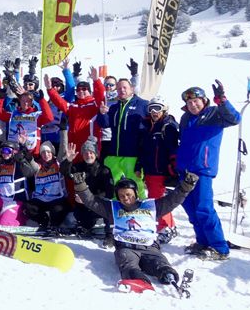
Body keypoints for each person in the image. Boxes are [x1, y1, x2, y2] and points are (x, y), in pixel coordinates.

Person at [73, 173, 200, 289]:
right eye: (121, 196)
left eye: (128, 194)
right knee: (128, 264)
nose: (125, 198)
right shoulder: (112, 208)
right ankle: (138, 280)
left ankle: (168, 275)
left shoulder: (152, 206)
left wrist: (186, 186)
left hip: (150, 248)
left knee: (160, 263)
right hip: (126, 248)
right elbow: (92, 202)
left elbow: (172, 200)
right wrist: (81, 185)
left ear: (136, 193)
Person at [177, 81, 241, 261]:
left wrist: (222, 101)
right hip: (185, 170)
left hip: (202, 169)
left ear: (204, 100)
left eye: (196, 101)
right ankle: (203, 241)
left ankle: (220, 248)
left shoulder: (215, 114)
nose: (193, 105)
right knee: (190, 209)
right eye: (189, 102)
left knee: (204, 208)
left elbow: (235, 119)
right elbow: (183, 142)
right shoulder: (186, 118)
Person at [134, 96, 180, 242]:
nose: (154, 112)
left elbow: (173, 150)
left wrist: (172, 169)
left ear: (165, 110)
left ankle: (165, 228)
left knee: (158, 201)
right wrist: (138, 166)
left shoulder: (168, 126)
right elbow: (143, 149)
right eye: (151, 109)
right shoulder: (148, 126)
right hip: (149, 170)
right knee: (156, 199)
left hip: (160, 171)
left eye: (158, 108)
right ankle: (169, 226)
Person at [96, 77, 148, 195]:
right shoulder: (114, 107)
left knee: (135, 186)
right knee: (113, 185)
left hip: (132, 154)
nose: (122, 90)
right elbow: (104, 124)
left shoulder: (143, 104)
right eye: (119, 88)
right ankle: (116, 204)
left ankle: (140, 204)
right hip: (114, 153)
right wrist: (102, 114)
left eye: (125, 87)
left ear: (131, 89)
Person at [60, 136, 115, 246]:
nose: (88, 155)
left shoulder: (104, 170)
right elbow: (64, 172)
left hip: (97, 206)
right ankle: (87, 225)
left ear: (96, 154)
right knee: (69, 222)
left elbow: (108, 192)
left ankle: (110, 234)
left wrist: (88, 199)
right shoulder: (77, 167)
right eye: (86, 153)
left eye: (91, 153)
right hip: (82, 208)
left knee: (109, 207)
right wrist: (68, 160)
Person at [45, 66, 106, 160]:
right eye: (78, 90)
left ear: (89, 91)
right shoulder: (73, 106)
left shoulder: (95, 104)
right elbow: (59, 102)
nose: (81, 91)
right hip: (74, 147)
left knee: (91, 167)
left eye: (84, 89)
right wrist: (50, 89)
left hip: (90, 147)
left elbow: (101, 96)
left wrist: (96, 80)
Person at [21, 135, 71, 229]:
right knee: (27, 207)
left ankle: (54, 225)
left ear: (52, 153)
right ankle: (44, 222)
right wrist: (24, 145)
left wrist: (63, 131)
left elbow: (63, 149)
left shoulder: (58, 163)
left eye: (48, 152)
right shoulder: (37, 165)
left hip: (57, 198)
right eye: (43, 152)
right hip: (41, 199)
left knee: (58, 210)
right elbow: (29, 159)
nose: (46, 154)